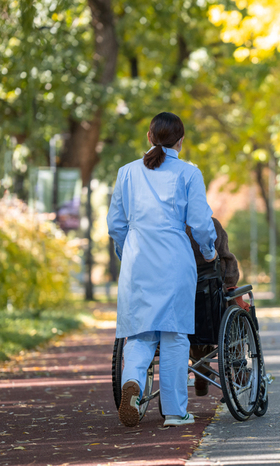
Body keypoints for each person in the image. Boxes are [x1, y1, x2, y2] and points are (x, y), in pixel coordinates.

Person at [107, 112, 218, 428]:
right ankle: (174, 412)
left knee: (140, 334)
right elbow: (200, 222)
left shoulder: (127, 173)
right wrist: (209, 253)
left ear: (149, 137)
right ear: (181, 141)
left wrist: (124, 253)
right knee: (174, 335)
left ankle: (134, 384)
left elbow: (115, 224)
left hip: (137, 260)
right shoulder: (188, 173)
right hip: (174, 261)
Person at [186, 218, 250, 396]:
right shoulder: (210, 224)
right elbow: (228, 261)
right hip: (211, 307)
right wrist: (230, 283)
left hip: (177, 306)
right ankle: (237, 365)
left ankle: (202, 369)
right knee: (233, 308)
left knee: (192, 320)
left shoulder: (165, 226)